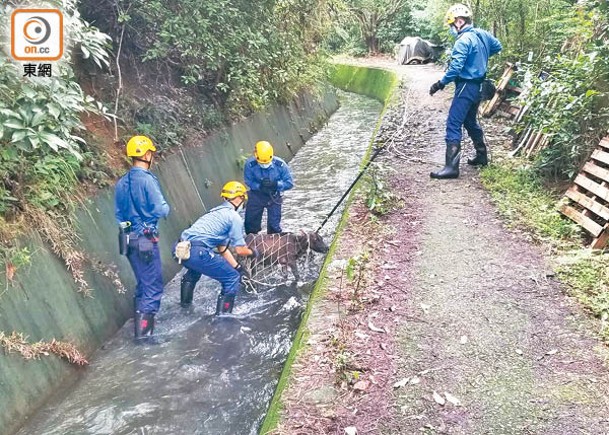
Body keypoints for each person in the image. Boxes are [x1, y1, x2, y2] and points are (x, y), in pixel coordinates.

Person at [429, 3, 502, 179]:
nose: (451, 28)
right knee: (470, 121)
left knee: (453, 123)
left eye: (452, 24)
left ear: (459, 21)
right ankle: (481, 156)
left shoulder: (463, 40)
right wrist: (480, 59)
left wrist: (440, 84)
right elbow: (497, 46)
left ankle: (451, 167)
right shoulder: (482, 34)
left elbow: (455, 69)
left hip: (465, 86)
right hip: (479, 87)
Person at [115, 135, 170, 340]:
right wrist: (166, 208)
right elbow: (160, 209)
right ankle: (144, 337)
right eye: (151, 153)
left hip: (128, 240)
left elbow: (119, 215)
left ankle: (138, 326)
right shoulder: (147, 180)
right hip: (146, 240)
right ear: (147, 154)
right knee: (153, 287)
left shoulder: (121, 183)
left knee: (142, 283)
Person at [177, 181, 259, 315]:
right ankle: (223, 320)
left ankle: (184, 307)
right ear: (239, 198)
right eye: (243, 199)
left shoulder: (214, 212)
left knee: (194, 271)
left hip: (181, 249)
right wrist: (255, 252)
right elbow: (240, 250)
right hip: (198, 252)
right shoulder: (234, 217)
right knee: (231, 278)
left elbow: (222, 248)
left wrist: (238, 267)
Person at [243, 141, 294, 234]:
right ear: (255, 155)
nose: (264, 165)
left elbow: (289, 183)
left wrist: (276, 184)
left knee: (274, 226)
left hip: (273, 196)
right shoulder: (250, 165)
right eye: (262, 163)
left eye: (267, 163)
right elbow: (248, 181)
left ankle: (273, 244)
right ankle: (252, 243)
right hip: (256, 196)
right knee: (250, 224)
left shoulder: (280, 166)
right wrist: (259, 186)